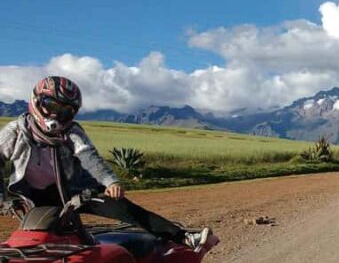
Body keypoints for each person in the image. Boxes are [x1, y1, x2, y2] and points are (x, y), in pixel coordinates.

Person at [0, 76, 212, 251]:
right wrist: (3, 198)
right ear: (37, 101)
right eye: (52, 105)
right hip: (34, 196)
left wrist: (110, 182)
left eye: (66, 110)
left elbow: (90, 158)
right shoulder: (15, 132)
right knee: (42, 239)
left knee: (124, 209)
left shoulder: (72, 132)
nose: (57, 114)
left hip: (76, 191)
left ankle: (183, 237)